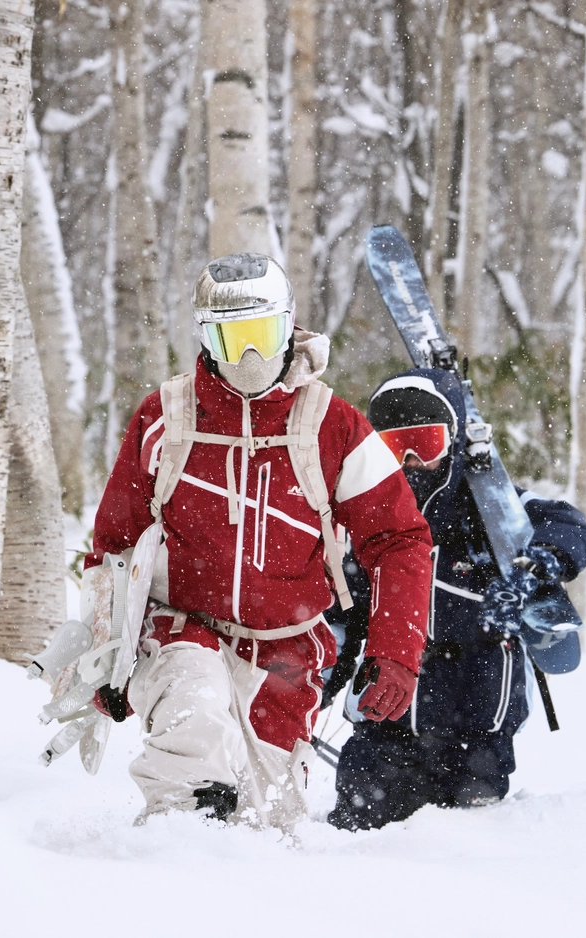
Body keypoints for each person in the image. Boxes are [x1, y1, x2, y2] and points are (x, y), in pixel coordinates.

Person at [83, 254, 433, 830]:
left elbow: (398, 539)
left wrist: (395, 651)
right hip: (179, 625)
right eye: (231, 338)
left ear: (290, 326)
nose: (249, 357)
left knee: (266, 819)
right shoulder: (165, 418)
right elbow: (114, 544)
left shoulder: (333, 426)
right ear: (206, 337)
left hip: (286, 649)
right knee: (195, 734)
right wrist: (106, 657)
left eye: (262, 335)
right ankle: (172, 857)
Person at [324, 367, 586, 831]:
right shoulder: (361, 523)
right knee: (356, 845)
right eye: (394, 446)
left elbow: (571, 527)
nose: (411, 461)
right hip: (385, 730)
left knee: (465, 851)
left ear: (451, 440)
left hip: (477, 736)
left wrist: (533, 570)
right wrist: (303, 688)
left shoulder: (489, 508)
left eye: (425, 443)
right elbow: (335, 624)